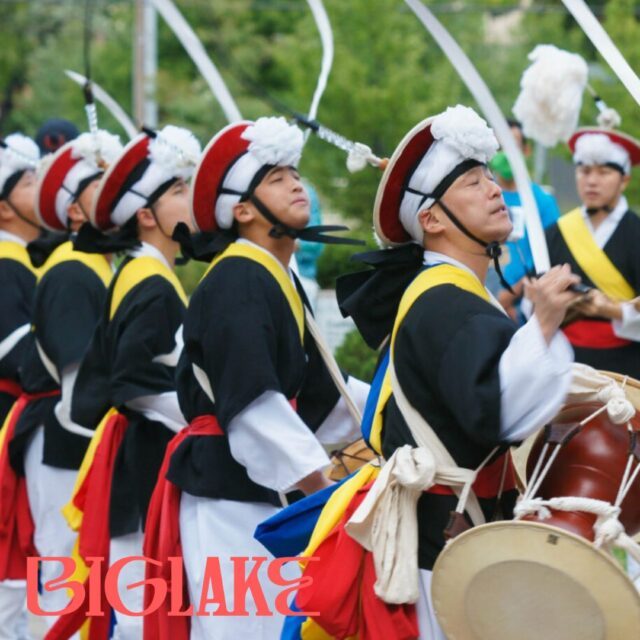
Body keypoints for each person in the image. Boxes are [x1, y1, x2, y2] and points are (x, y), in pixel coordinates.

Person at [296, 105, 582, 639]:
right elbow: (496, 413)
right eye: (473, 182)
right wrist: (542, 325)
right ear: (431, 219)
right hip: (440, 546)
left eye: (491, 176)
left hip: (449, 536)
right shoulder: (445, 300)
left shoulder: (453, 295)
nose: (495, 189)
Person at [145, 116, 369, 640]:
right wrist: (324, 486)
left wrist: (388, 423)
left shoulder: (278, 277)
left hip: (255, 485)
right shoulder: (237, 277)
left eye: (294, 172)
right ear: (241, 210)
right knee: (242, 629)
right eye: (275, 177)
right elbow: (252, 405)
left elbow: (317, 396)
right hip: (227, 488)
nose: (296, 183)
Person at [52, 125, 201, 640]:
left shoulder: (144, 272)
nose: (192, 200)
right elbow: (131, 378)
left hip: (138, 449)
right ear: (146, 216)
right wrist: (210, 417)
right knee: (141, 604)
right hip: (143, 454)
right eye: (179, 191)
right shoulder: (151, 280)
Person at [7, 130, 122, 626]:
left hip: (79, 438)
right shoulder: (74, 271)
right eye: (103, 184)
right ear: (74, 212)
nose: (119, 191)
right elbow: (78, 393)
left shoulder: (101, 264)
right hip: (65, 439)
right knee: (65, 579)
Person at [545, 125, 640, 378]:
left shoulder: (636, 231)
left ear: (625, 179)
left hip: (627, 365)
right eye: (584, 171)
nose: (592, 180)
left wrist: (613, 311)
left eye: (604, 171)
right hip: (565, 360)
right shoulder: (556, 231)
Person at [0, 133, 40, 640]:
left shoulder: (26, 261)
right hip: (11, 424)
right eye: (31, 180)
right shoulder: (8, 265)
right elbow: (16, 354)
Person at [490, 119, 561, 321]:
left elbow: (554, 255)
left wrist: (511, 296)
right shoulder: (479, 197)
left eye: (512, 146)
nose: (505, 153)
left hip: (524, 312)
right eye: (499, 147)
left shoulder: (542, 202)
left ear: (526, 150)